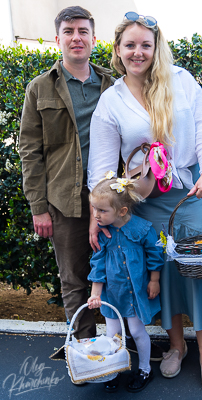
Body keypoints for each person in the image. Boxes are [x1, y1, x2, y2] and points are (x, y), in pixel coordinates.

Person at [87, 12, 202, 393]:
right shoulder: (111, 101)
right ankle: (176, 346)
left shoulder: (181, 80)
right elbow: (102, 166)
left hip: (191, 194)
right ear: (117, 51)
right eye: (130, 45)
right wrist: (96, 215)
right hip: (143, 201)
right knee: (162, 275)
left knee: (200, 273)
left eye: (145, 45)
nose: (138, 52)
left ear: (156, 47)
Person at [19, 6, 114, 341]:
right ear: (57, 38)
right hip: (64, 201)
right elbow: (30, 151)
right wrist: (38, 207)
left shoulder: (112, 86)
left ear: (93, 38)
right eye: (69, 32)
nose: (77, 38)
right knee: (74, 279)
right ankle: (86, 347)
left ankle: (121, 344)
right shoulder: (39, 88)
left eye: (83, 31)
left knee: (118, 273)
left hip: (112, 201)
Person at [87, 174, 164, 392]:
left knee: (137, 332)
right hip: (113, 294)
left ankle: (145, 369)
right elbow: (98, 264)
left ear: (122, 211)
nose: (96, 215)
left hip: (135, 293)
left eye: (102, 210)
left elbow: (154, 253)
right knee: (112, 336)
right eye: (94, 209)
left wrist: (154, 280)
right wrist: (96, 294)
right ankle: (114, 369)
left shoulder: (141, 229)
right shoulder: (104, 233)